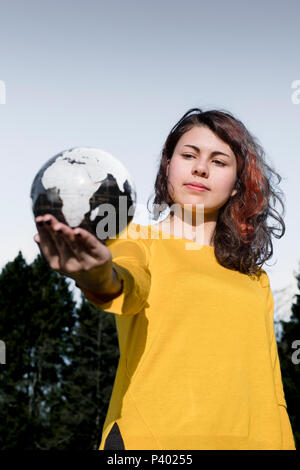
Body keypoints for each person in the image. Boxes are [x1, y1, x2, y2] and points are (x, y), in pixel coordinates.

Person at [34, 108, 296, 450]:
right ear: (168, 165)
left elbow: (272, 391)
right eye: (189, 155)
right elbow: (123, 280)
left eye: (219, 162)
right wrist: (95, 275)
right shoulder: (135, 240)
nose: (200, 168)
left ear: (236, 185)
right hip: (153, 444)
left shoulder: (254, 278)